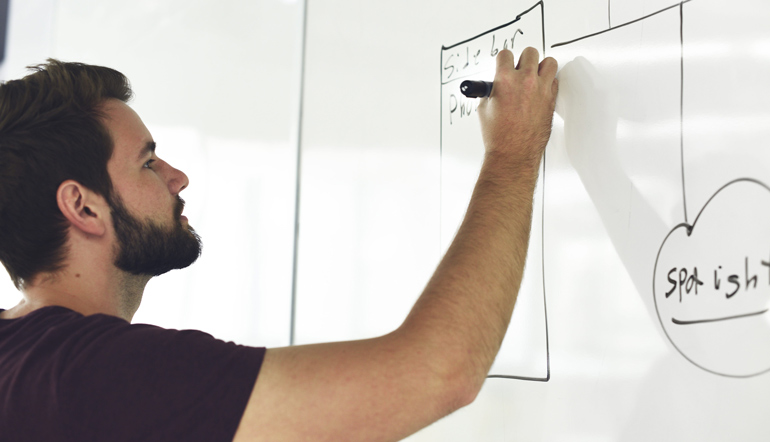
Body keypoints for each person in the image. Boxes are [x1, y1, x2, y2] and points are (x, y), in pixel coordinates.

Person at [0, 47, 557, 441]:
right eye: (147, 162)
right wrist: (512, 154)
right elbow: (439, 373)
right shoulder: (103, 374)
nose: (177, 177)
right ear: (83, 207)